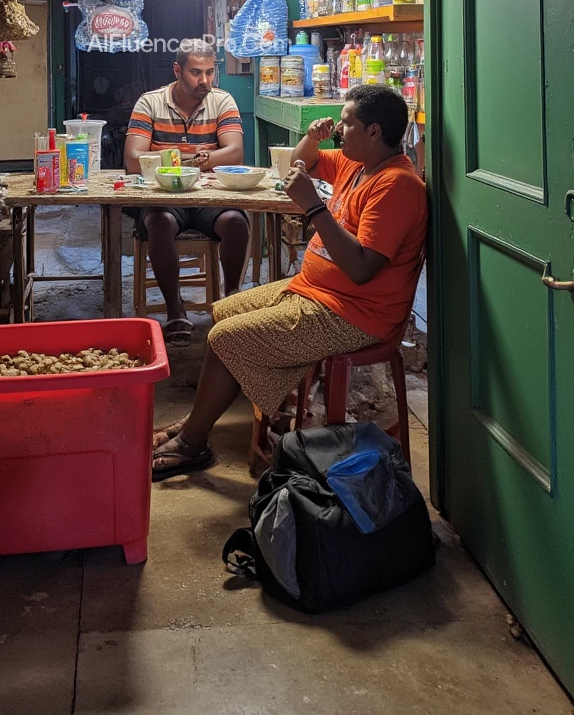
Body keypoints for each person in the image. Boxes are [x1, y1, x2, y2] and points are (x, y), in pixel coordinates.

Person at [152, 84, 427, 478]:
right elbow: (300, 166)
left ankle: (194, 440)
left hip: (353, 314)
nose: (339, 132)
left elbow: (363, 268)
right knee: (222, 313)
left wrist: (314, 207)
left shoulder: (396, 186)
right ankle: (207, 419)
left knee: (226, 337)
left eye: (347, 124)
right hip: (317, 292)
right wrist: (310, 140)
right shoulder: (359, 164)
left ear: (374, 132)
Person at [124, 39, 250, 346]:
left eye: (210, 72)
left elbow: (235, 154)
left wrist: (189, 158)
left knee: (235, 221)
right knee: (159, 222)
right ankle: (175, 309)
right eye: (196, 72)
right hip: (164, 195)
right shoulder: (150, 103)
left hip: (209, 196)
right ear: (178, 70)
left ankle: (230, 298)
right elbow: (132, 160)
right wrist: (199, 155)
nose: (204, 81)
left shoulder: (222, 101)